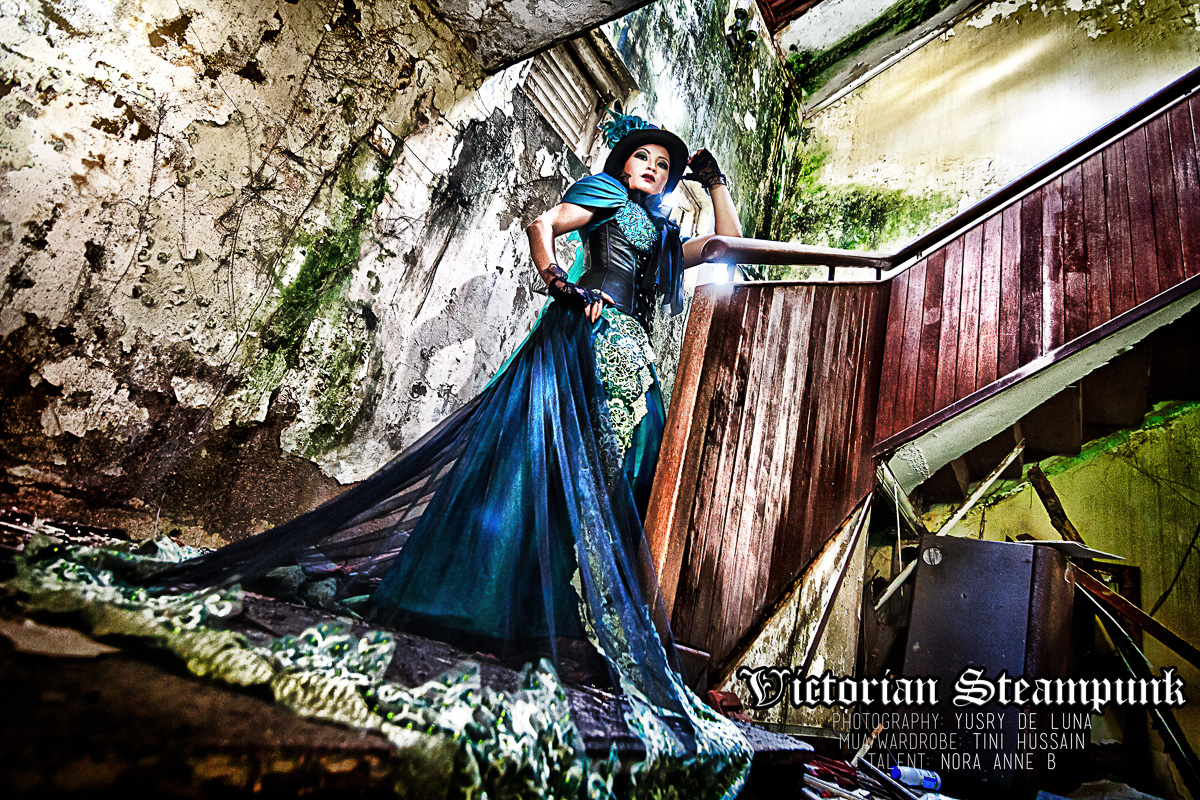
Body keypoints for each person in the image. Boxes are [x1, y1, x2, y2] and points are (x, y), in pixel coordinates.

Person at [48, 109, 753, 796]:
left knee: (617, 474)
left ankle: (543, 606)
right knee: (529, 469)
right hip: (581, 338)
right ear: (621, 164)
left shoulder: (665, 233)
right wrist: (557, 281)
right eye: (642, 157)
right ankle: (484, 600)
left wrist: (716, 183)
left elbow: (728, 248)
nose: (651, 168)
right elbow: (542, 225)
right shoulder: (604, 197)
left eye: (663, 165)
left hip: (628, 355)